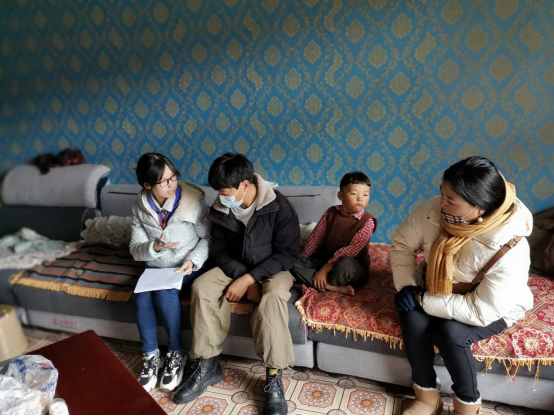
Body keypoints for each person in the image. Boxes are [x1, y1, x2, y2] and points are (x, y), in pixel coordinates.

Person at [390, 156, 533, 415]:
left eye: (451, 200)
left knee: (451, 334)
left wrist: (423, 300)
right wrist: (407, 286)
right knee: (411, 317)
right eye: (442, 194)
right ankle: (426, 398)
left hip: (490, 305)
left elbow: (481, 310)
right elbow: (402, 246)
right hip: (433, 289)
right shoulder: (433, 211)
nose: (441, 203)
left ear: (480, 207)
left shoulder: (511, 246)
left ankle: (467, 406)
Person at [174, 153, 300, 415]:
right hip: (234, 267)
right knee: (201, 287)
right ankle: (208, 364)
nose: (221, 197)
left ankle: (274, 376)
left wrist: (251, 279)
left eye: (225, 191)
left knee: (272, 296)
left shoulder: (279, 206)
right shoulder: (220, 209)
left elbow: (288, 254)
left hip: (274, 268)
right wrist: (243, 276)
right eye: (218, 191)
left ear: (245, 184)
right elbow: (219, 250)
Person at [129, 153, 211, 393]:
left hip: (186, 265)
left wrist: (192, 261)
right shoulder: (139, 206)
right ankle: (150, 356)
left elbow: (208, 238)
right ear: (147, 185)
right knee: (141, 295)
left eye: (173, 177)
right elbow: (135, 249)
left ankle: (176, 353)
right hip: (156, 266)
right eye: (164, 181)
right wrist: (154, 247)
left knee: (165, 293)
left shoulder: (192, 200)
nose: (172, 184)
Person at [291, 172, 377, 296]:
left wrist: (324, 269)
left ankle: (319, 279)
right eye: (354, 193)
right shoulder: (330, 213)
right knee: (291, 259)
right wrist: (304, 259)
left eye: (365, 194)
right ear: (340, 195)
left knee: (345, 264)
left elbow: (350, 251)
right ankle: (331, 287)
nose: (360, 198)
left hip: (350, 268)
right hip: (325, 259)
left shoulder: (367, 221)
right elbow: (315, 238)